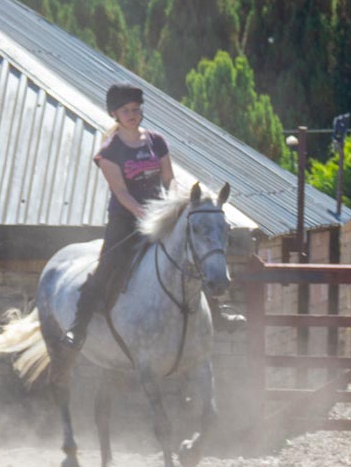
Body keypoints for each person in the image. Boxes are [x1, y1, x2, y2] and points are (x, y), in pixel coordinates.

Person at [64, 83, 242, 348]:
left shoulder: (156, 141)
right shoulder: (109, 151)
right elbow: (121, 192)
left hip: (162, 212)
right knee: (108, 263)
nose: (132, 114)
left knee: (192, 253)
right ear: (114, 113)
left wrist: (170, 205)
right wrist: (144, 214)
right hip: (125, 218)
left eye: (136, 109)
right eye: (125, 110)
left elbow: (170, 179)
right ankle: (78, 327)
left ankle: (216, 312)